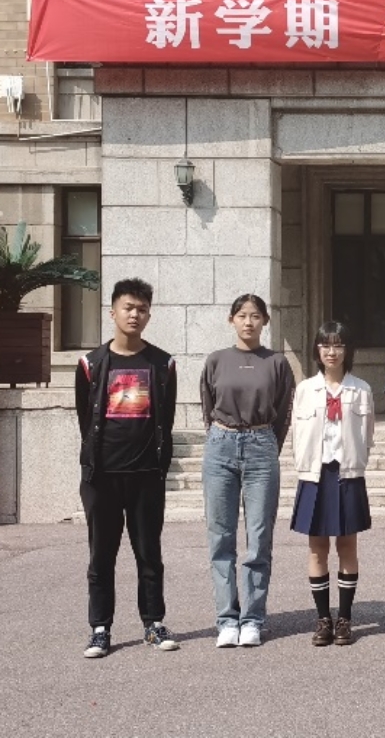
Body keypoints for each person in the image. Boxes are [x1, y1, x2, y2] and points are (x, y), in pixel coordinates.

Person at [75, 278, 178, 658]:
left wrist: (159, 464)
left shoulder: (163, 364)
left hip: (146, 475)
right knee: (101, 556)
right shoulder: (91, 364)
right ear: (113, 312)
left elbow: (166, 419)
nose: (135, 315)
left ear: (149, 315)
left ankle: (153, 623)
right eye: (128, 308)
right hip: (102, 476)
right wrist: (95, 461)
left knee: (149, 554)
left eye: (142, 309)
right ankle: (100, 629)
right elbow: (85, 419)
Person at [200, 293, 295, 648]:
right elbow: (207, 405)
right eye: (242, 315)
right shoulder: (216, 360)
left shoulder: (277, 362)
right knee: (220, 535)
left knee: (259, 536)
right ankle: (227, 619)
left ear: (265, 321)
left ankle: (253, 618)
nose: (248, 322)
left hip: (261, 444)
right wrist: (220, 437)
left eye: (255, 316)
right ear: (231, 320)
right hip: (220, 444)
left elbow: (284, 411)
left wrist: (267, 443)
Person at [290, 321, 375, 647]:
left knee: (348, 546)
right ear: (317, 350)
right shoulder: (305, 389)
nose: (332, 351)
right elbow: (298, 434)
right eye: (326, 345)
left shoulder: (361, 389)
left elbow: (367, 434)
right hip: (316, 474)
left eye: (338, 345)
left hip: (347, 474)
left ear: (347, 350)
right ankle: (323, 618)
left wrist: (356, 461)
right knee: (317, 548)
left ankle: (345, 618)